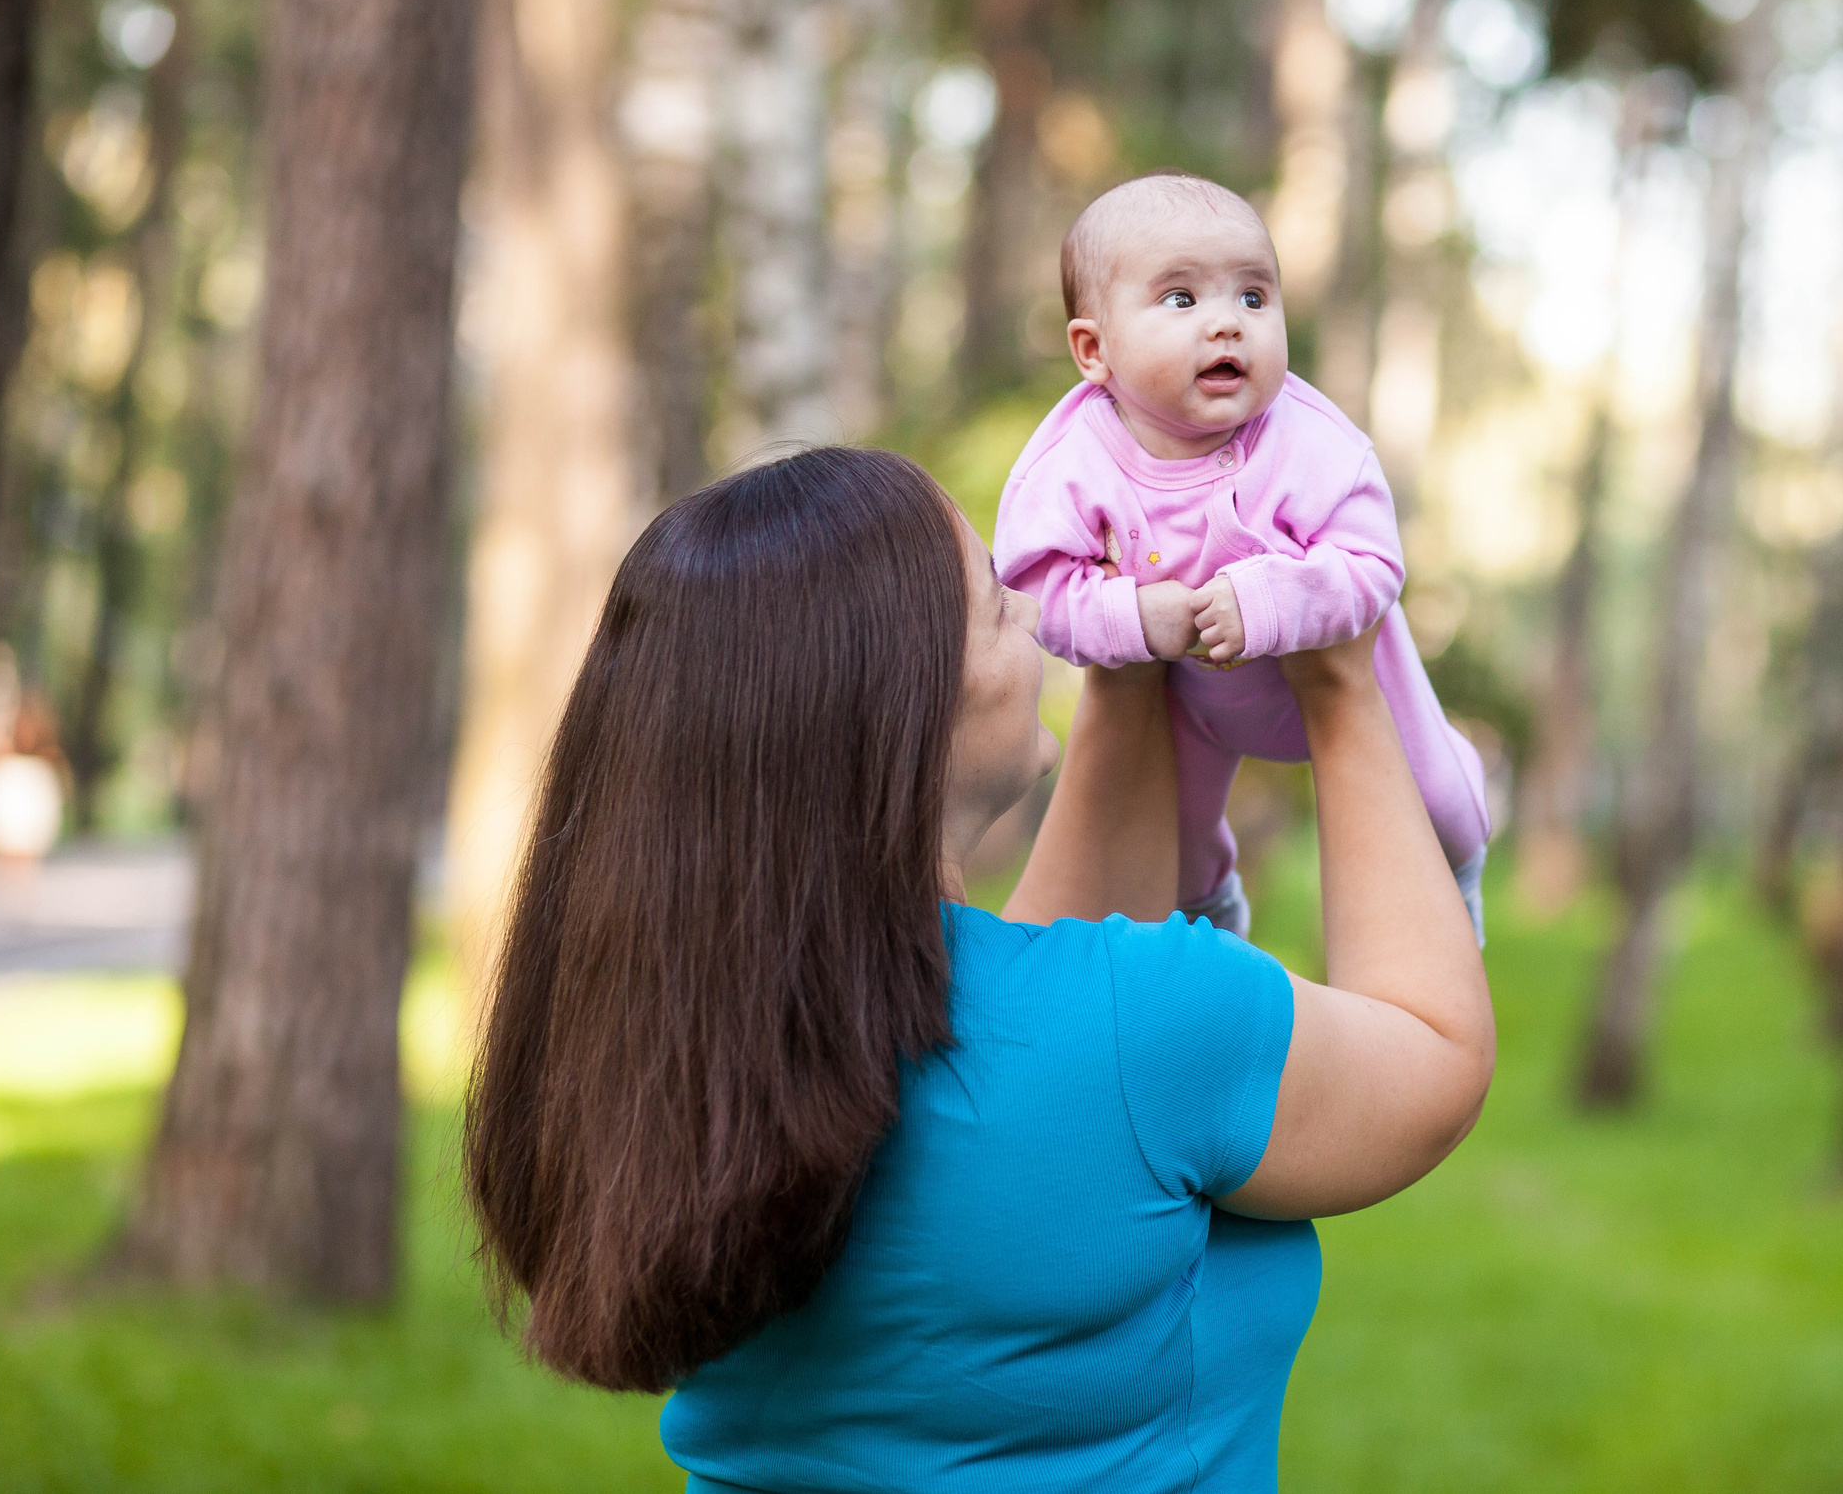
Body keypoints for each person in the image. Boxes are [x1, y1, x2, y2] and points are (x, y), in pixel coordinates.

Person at [463, 446, 1494, 1493]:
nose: (1035, 613)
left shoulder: (678, 1064)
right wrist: (1340, 673)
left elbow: (1040, 1024)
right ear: (906, 708)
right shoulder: (1145, 1027)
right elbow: (1433, 1047)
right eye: (999, 601)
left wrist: (1130, 658)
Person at [993, 172, 1490, 943]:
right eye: (1181, 298)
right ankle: (1215, 920)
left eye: (1254, 297)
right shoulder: (1071, 463)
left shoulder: (1309, 439)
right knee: (1176, 837)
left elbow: (1374, 563)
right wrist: (1131, 616)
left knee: (1438, 803)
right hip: (1195, 692)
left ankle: (1457, 885)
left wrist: (1271, 599)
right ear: (1094, 349)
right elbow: (1032, 589)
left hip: (1349, 673)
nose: (1228, 323)